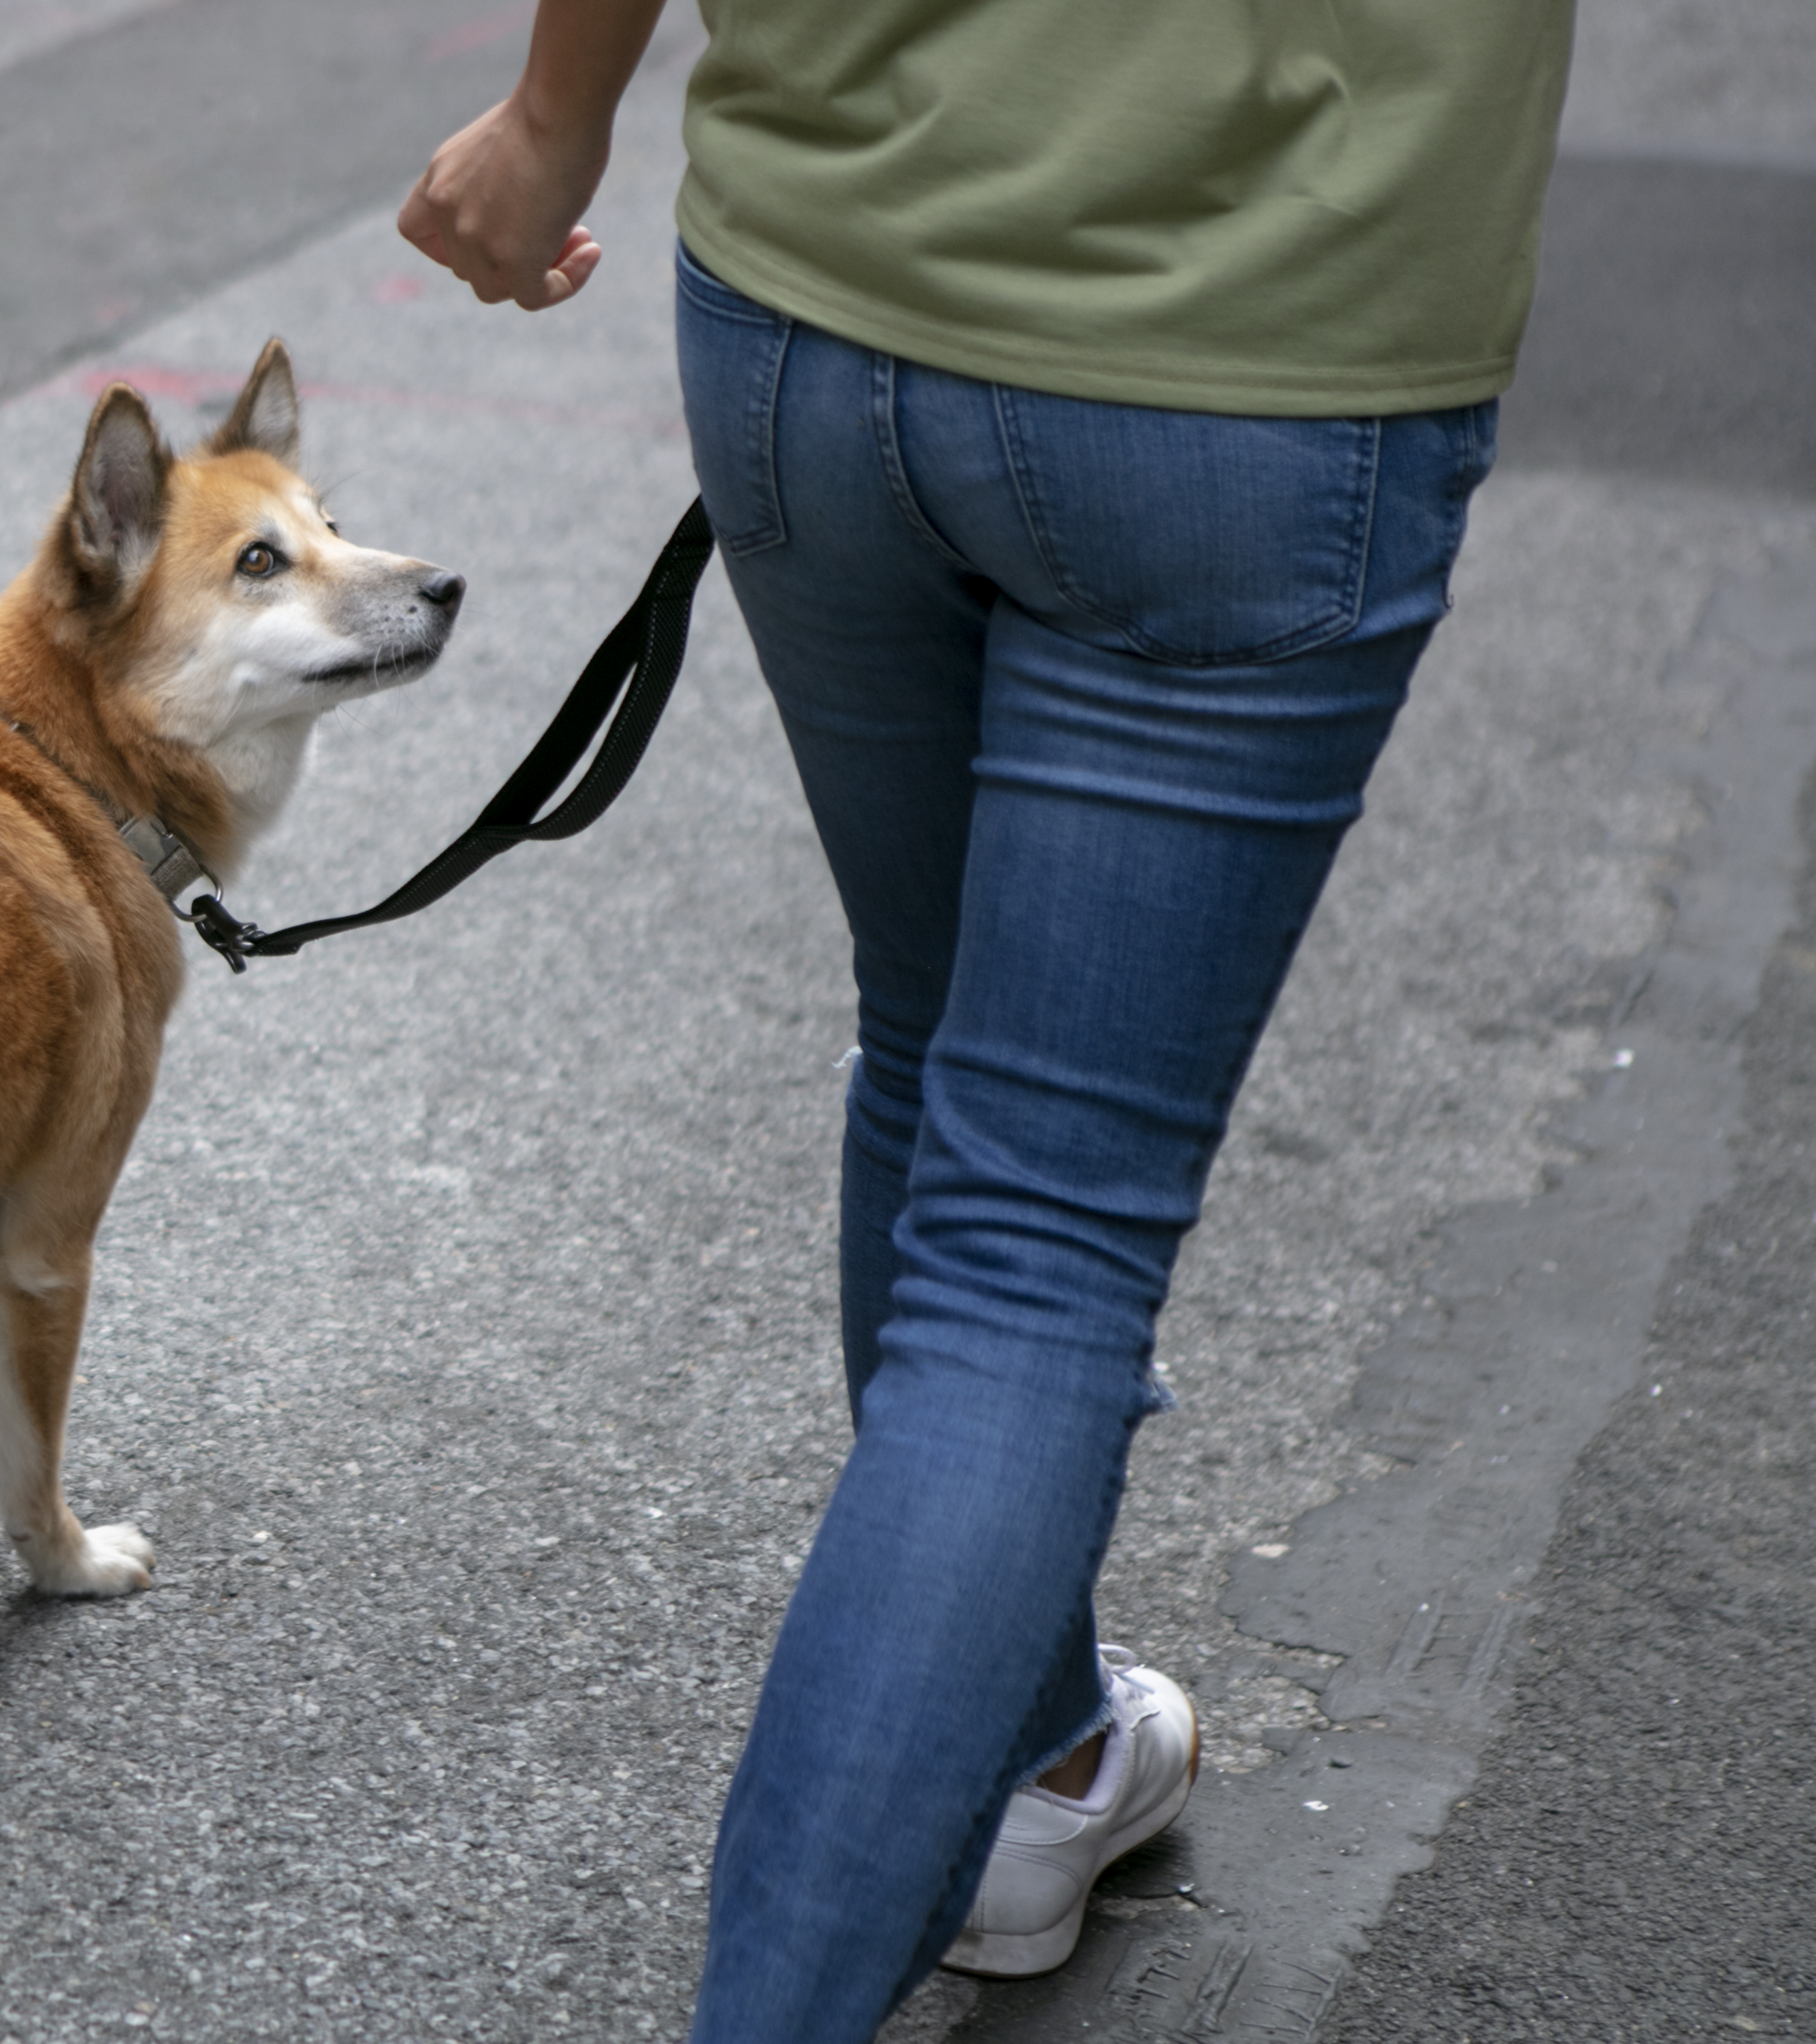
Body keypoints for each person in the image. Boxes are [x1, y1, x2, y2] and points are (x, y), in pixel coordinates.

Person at [397, 2, 1574, 2036]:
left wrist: (557, 108)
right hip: (1254, 347)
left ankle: (1041, 1771)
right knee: (1037, 1247)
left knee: (937, 1052)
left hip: (813, 309)